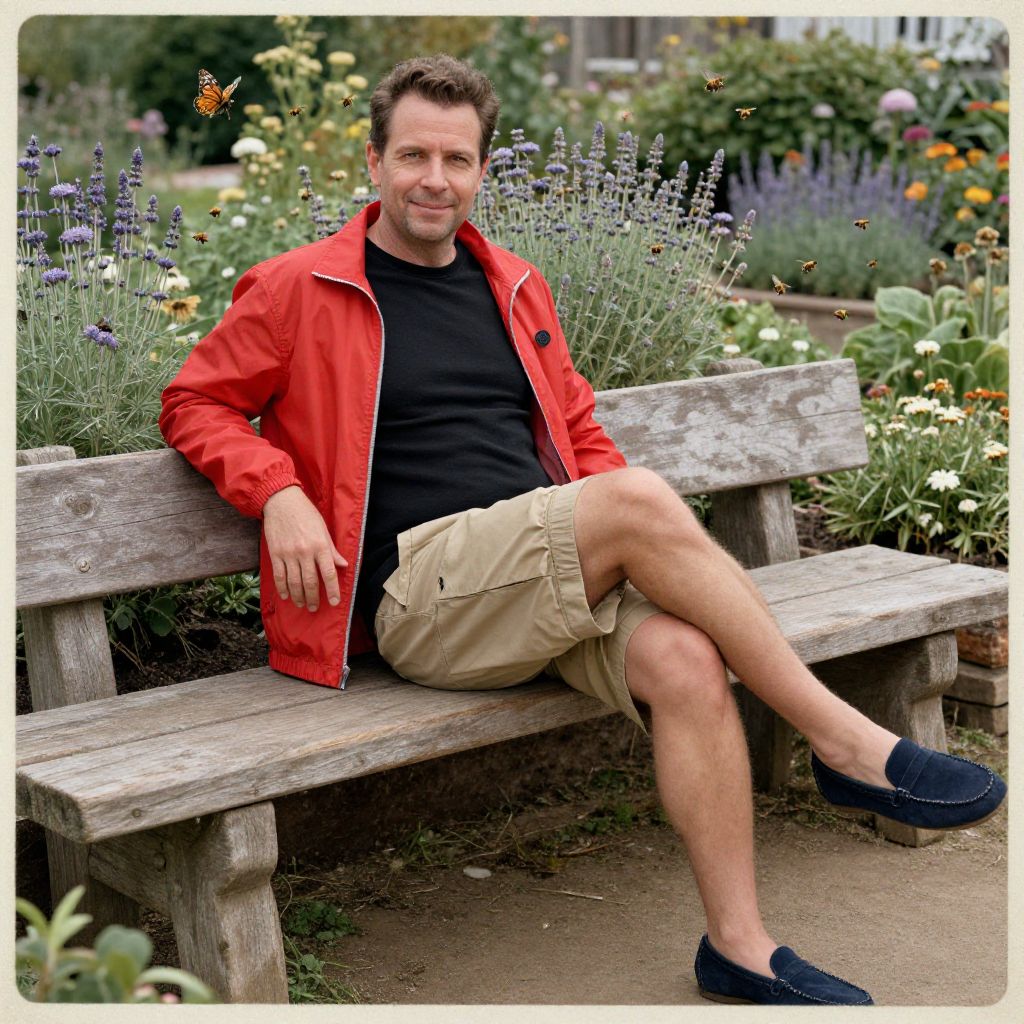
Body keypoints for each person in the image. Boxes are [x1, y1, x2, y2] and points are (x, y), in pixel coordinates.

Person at [159, 54, 1006, 1006]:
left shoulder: (514, 285)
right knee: (638, 499)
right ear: (373, 161)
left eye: (456, 158)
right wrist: (278, 491)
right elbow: (194, 404)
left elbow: (580, 436)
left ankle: (740, 947)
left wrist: (629, 545)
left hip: (536, 579)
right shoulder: (297, 287)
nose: (434, 179)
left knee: (686, 658)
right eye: (412, 156)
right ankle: (844, 742)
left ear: (482, 170)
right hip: (419, 599)